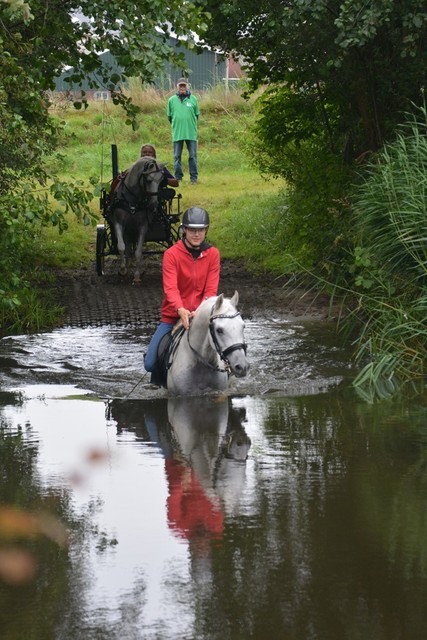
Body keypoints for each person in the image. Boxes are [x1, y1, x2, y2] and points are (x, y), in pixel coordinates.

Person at [144, 207, 220, 383]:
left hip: (202, 316)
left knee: (225, 348)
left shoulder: (213, 254)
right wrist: (180, 310)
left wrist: (199, 312)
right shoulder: (171, 254)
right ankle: (163, 382)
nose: (196, 234)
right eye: (192, 230)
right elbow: (170, 288)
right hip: (173, 317)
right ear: (184, 229)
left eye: (200, 230)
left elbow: (210, 291)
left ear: (206, 230)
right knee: (149, 364)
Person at [166, 78, 200, 185]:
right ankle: (178, 178)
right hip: (177, 133)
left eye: (184, 85)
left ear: (187, 86)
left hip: (191, 133)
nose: (182, 87)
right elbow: (170, 117)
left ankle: (193, 179)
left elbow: (197, 115)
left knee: (193, 156)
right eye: (180, 86)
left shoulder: (193, 99)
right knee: (177, 157)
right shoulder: (171, 100)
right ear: (177, 86)